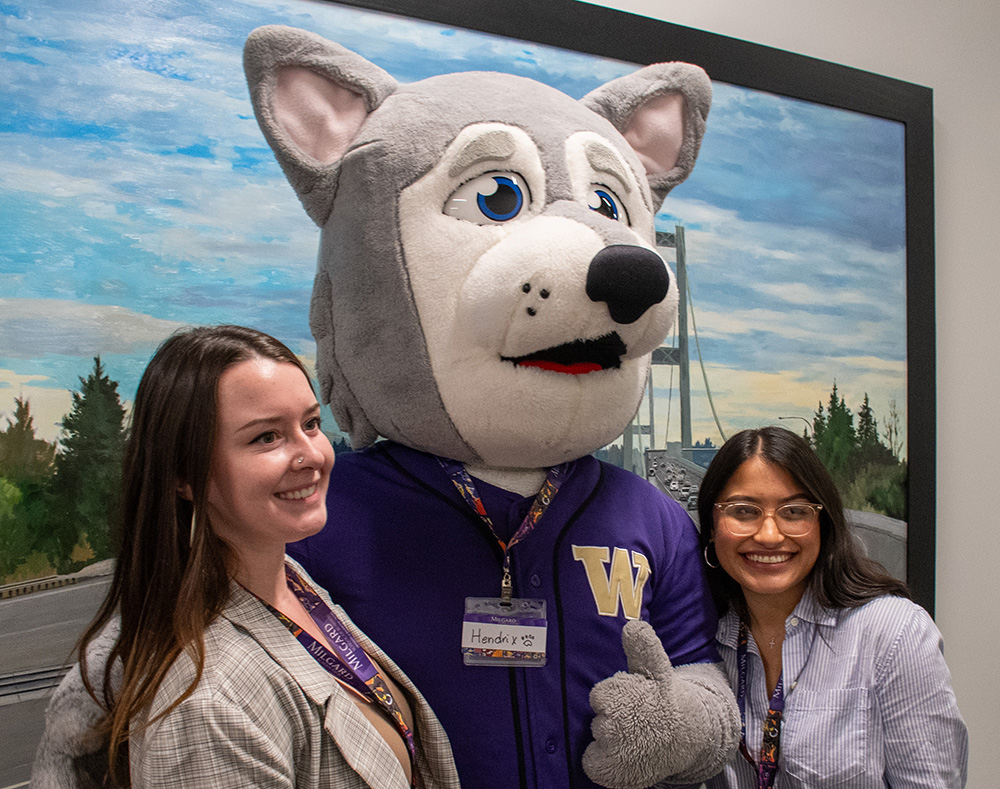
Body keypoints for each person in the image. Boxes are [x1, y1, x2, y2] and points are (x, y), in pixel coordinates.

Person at [30, 325, 460, 789]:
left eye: (311, 423)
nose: (312, 454)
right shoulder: (206, 704)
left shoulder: (290, 582)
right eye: (266, 438)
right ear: (183, 476)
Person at [695, 426, 967, 788]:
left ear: (822, 523)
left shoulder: (893, 633)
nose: (770, 535)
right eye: (744, 511)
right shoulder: (698, 639)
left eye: (794, 512)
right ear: (712, 526)